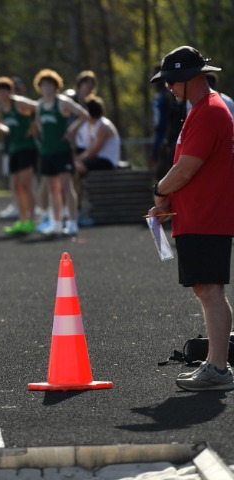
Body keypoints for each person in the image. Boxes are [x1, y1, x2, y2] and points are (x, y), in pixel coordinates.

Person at [148, 46, 234, 391]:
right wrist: (168, 198)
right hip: (199, 214)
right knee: (205, 289)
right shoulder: (202, 110)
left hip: (207, 216)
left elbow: (185, 169)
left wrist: (159, 190)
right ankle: (216, 364)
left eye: (171, 80)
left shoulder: (209, 111)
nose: (168, 87)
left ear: (188, 77)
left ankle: (218, 368)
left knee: (210, 290)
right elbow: (187, 170)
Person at [33, 69, 90, 236]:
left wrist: (71, 131)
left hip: (62, 151)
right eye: (44, 84)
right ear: (40, 87)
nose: (47, 87)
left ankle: (72, 223)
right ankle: (56, 223)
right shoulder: (40, 105)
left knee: (67, 187)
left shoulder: (62, 102)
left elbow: (84, 115)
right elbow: (39, 125)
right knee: (53, 188)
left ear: (55, 86)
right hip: (47, 152)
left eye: (50, 84)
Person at [0, 77, 39, 234]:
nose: (2, 93)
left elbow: (38, 107)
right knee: (16, 186)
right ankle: (22, 220)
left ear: (10, 91)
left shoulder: (18, 102)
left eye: (5, 90)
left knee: (26, 185)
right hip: (14, 149)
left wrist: (33, 127)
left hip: (27, 147)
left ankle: (31, 220)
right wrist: (6, 130)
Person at [73, 95, 121, 175]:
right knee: (70, 166)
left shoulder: (103, 126)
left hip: (107, 161)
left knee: (76, 168)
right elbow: (89, 149)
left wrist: (77, 159)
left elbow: (94, 152)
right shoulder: (95, 125)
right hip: (98, 159)